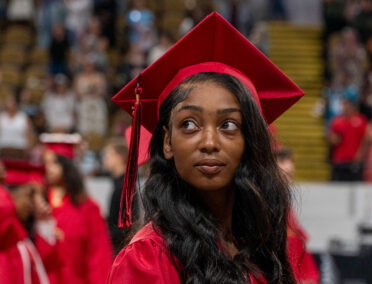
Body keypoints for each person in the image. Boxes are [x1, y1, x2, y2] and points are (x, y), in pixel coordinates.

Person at [107, 12, 304, 283]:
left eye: (229, 125)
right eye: (189, 124)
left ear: (251, 141)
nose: (209, 143)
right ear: (167, 142)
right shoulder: (147, 259)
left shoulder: (261, 250)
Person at [42, 137, 113, 284]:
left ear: (67, 166)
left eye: (54, 163)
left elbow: (98, 255)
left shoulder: (88, 208)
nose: (47, 168)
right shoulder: (38, 204)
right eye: (45, 162)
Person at [275, 149, 320, 284]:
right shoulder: (265, 202)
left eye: (290, 162)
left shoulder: (285, 203)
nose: (289, 167)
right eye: (283, 161)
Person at [329, 92, 367, 181]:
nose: (344, 107)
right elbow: (331, 138)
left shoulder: (361, 120)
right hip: (339, 160)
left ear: (352, 105)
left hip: (354, 160)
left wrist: (361, 153)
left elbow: (365, 139)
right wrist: (334, 139)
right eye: (343, 104)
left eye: (346, 104)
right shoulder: (337, 121)